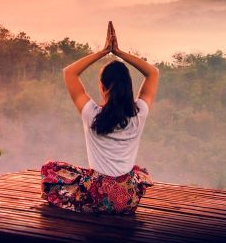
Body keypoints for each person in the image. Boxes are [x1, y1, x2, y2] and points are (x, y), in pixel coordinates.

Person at [41, 21, 160, 214]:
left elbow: (69, 72)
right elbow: (152, 73)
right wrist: (119, 52)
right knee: (136, 172)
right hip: (126, 200)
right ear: (129, 87)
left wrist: (104, 51)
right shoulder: (139, 114)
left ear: (101, 87)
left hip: (96, 197)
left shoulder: (92, 114)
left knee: (50, 169)